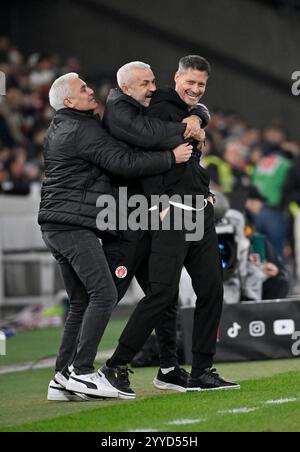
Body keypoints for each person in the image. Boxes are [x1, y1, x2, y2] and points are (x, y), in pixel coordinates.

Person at [38, 72, 192, 400]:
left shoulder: (59, 128)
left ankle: (60, 377)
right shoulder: (83, 129)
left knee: (80, 301)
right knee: (104, 294)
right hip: (72, 226)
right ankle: (82, 373)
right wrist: (170, 157)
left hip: (54, 225)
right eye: (83, 89)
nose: (90, 91)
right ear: (68, 101)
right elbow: (123, 162)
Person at [101, 56, 240, 398]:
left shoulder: (186, 109)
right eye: (190, 82)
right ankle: (114, 365)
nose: (195, 89)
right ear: (177, 78)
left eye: (201, 85)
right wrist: (157, 201)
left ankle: (202, 370)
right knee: (162, 293)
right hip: (172, 213)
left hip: (198, 211)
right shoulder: (161, 105)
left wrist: (204, 191)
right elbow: (146, 152)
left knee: (211, 290)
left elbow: (188, 157)